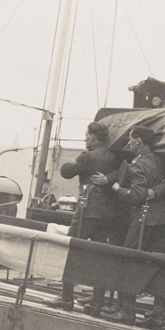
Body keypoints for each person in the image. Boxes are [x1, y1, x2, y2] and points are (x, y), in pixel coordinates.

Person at [101, 126, 165, 325]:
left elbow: (138, 195)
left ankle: (128, 311)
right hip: (162, 219)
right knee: (157, 265)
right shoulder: (158, 160)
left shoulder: (137, 165)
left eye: (131, 140)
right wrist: (156, 191)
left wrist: (118, 189)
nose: (129, 144)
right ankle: (158, 315)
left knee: (129, 262)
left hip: (144, 218)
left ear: (139, 141)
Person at [45, 122, 118, 312]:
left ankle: (66, 298)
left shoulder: (87, 156)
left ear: (93, 138)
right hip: (107, 213)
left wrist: (72, 163)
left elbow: (66, 172)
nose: (85, 139)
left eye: (86, 136)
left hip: (88, 209)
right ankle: (96, 302)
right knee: (99, 255)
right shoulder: (114, 157)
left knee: (73, 250)